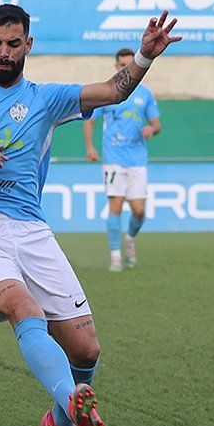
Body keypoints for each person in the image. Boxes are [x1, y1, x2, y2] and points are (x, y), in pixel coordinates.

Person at [0, 5, 179, 426]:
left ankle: (61, 421)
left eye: (13, 44)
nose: (4, 53)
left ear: (28, 45)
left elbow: (111, 91)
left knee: (86, 349)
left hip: (31, 228)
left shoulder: (46, 98)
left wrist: (144, 56)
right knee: (26, 309)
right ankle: (74, 402)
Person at [83, 48, 161, 271]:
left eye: (130, 64)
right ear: (116, 67)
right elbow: (90, 120)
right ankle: (115, 256)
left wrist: (151, 130)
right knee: (115, 205)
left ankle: (129, 239)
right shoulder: (108, 93)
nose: (127, 68)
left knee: (138, 211)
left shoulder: (145, 94)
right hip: (113, 158)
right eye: (123, 65)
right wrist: (90, 146)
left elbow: (157, 124)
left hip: (137, 160)